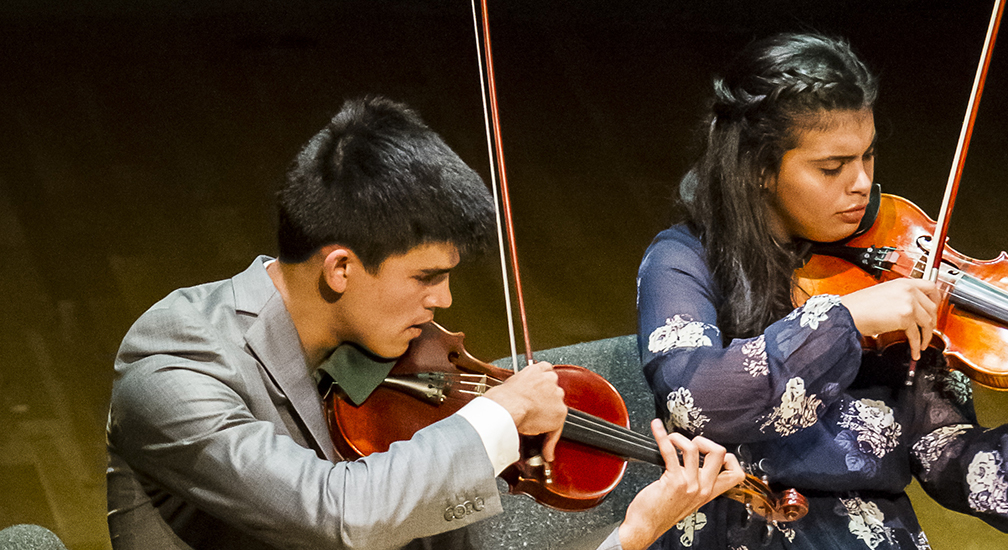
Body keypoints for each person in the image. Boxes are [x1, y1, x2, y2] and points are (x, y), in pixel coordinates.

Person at [105, 96, 745, 550]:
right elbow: (338, 512)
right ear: (340, 269)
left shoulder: (382, 358)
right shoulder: (175, 365)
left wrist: (630, 532)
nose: (442, 302)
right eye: (425, 277)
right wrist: (498, 416)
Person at [635, 33, 1008, 549]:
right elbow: (695, 400)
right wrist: (843, 317)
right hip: (739, 530)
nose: (861, 184)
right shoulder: (683, 259)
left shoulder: (887, 272)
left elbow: (945, 455)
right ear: (760, 169)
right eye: (832, 167)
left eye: (867, 158)